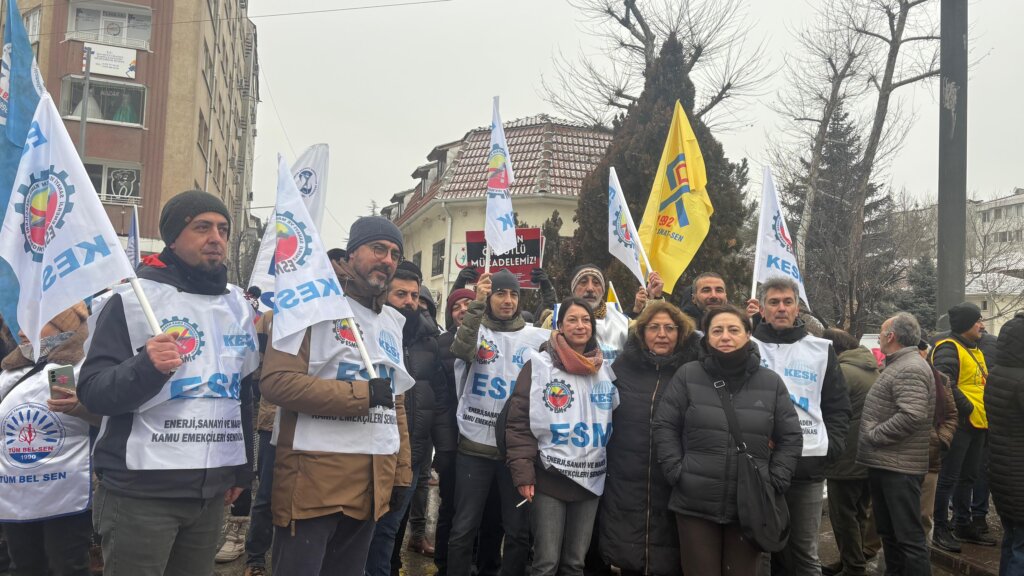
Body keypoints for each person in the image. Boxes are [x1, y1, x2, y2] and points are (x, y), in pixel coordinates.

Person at [78, 191, 260, 576]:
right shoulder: (131, 299)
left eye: (223, 229)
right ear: (173, 238)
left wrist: (241, 471)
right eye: (202, 227)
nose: (216, 237)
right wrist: (146, 366)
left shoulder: (237, 306)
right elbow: (93, 391)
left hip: (209, 495)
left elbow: (240, 392)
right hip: (141, 493)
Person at [259, 216, 413, 575]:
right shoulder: (307, 305)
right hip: (314, 484)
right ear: (352, 253)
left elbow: (397, 402)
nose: (387, 259)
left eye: (394, 253)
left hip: (370, 485)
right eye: (378, 248)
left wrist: (401, 472)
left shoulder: (393, 321)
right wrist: (360, 394)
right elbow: (277, 381)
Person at [652, 304, 803, 576]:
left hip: (750, 504)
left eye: (733, 330)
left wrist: (775, 480)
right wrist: (676, 471)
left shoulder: (770, 382)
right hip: (695, 502)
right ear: (707, 337)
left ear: (747, 334)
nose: (725, 336)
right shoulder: (688, 375)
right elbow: (665, 425)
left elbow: (790, 436)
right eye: (717, 330)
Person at [505, 298, 619, 576]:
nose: (580, 326)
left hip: (590, 481)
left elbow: (615, 421)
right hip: (550, 478)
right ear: (559, 325)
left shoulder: (605, 368)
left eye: (586, 320)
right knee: (546, 563)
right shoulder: (539, 365)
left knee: (574, 564)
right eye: (572, 319)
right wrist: (523, 474)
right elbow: (519, 422)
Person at [447, 269, 549, 576]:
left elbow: (571, 342)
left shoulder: (534, 336)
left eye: (513, 294)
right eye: (500, 294)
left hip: (514, 454)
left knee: (517, 532)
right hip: (474, 449)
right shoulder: (473, 331)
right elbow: (462, 350)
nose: (507, 300)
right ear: (489, 297)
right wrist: (476, 303)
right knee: (463, 529)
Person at [748, 276, 850, 576]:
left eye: (788, 302)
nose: (781, 308)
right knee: (761, 550)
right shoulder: (746, 347)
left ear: (797, 308)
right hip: (757, 464)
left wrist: (832, 447)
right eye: (774, 302)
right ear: (762, 310)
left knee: (805, 553)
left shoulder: (821, 349)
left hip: (808, 464)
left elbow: (837, 406)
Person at [599, 301, 700, 576]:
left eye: (670, 328)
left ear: (681, 333)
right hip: (626, 477)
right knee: (629, 555)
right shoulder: (622, 367)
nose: (662, 334)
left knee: (671, 556)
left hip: (672, 478)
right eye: (654, 327)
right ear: (641, 332)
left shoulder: (694, 372)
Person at [0, 304, 99, 576]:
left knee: (66, 564)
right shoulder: (10, 372)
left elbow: (97, 418)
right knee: (24, 564)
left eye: (34, 323)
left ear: (61, 329)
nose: (21, 331)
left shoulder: (71, 370)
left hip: (63, 490)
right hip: (16, 490)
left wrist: (78, 406)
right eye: (20, 323)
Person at [365, 263, 447, 576]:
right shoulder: (369, 333)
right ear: (384, 293)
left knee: (388, 532)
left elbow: (438, 398)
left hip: (412, 454)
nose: (410, 301)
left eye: (414, 295)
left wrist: (443, 448)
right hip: (372, 450)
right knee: (363, 531)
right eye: (401, 294)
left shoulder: (429, 342)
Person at [857, 313, 935, 575]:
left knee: (908, 538)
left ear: (891, 336)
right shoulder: (899, 364)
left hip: (899, 469)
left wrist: (875, 434)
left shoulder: (910, 367)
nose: (878, 337)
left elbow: (912, 414)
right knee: (890, 535)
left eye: (881, 332)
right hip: (889, 465)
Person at [930, 302, 996, 550]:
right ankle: (939, 528)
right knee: (948, 477)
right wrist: (968, 409)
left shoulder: (973, 348)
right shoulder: (949, 347)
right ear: (966, 324)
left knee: (968, 476)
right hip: (961, 423)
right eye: (978, 320)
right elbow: (944, 383)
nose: (982, 324)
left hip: (978, 423)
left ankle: (962, 523)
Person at [820, 328, 879, 576]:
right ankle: (851, 560)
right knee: (858, 513)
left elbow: (826, 410)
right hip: (867, 455)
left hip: (846, 457)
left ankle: (853, 567)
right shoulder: (869, 368)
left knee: (843, 516)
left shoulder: (841, 372)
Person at [433, 287, 474, 576]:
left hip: (482, 441)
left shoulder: (493, 341)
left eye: (468, 304)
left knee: (479, 508)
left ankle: (473, 561)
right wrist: (446, 446)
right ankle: (444, 563)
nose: (461, 309)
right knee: (451, 506)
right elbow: (440, 398)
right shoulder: (441, 344)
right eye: (456, 305)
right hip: (453, 440)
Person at [542, 265, 657, 362]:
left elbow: (655, 331)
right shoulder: (554, 319)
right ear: (573, 289)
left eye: (596, 283)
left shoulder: (623, 322)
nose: (590, 288)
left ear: (602, 291)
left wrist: (654, 298)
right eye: (583, 282)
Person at [984, 312, 1024, 575]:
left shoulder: (998, 372)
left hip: (1003, 471)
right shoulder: (1021, 380)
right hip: (1020, 474)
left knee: (1012, 539)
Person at [241, 310, 275, 576]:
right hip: (274, 419)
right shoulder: (270, 319)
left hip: (318, 423)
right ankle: (255, 557)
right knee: (267, 493)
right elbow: (253, 366)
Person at [919, 339, 957, 536]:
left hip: (929, 458)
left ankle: (920, 564)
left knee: (924, 517)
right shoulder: (887, 375)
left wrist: (941, 439)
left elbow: (951, 414)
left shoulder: (940, 379)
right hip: (896, 460)